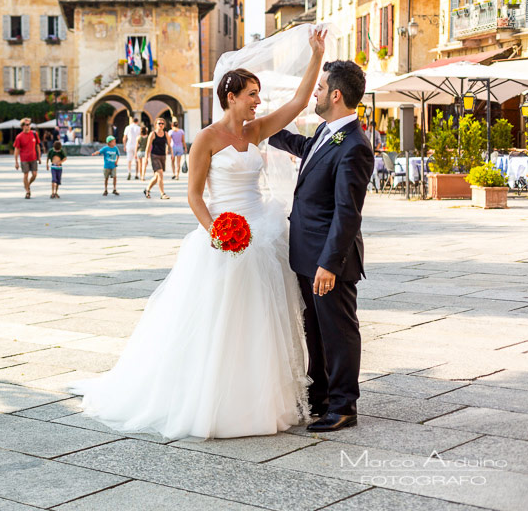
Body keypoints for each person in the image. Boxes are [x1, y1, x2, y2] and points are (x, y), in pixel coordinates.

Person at [70, 27, 327, 440]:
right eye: (252, 94)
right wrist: (217, 232)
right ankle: (211, 399)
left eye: (258, 95)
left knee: (262, 320)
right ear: (231, 97)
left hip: (262, 230)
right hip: (223, 237)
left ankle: (260, 400)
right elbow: (193, 196)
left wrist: (316, 55)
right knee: (218, 320)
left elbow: (298, 102)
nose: (258, 101)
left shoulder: (257, 131)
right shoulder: (206, 138)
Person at [268, 59, 373, 433]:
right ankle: (321, 396)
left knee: (339, 332)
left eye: (320, 86)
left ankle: (344, 406)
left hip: (330, 261)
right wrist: (264, 127)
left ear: (336, 94)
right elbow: (299, 145)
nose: (315, 92)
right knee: (315, 329)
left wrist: (329, 263)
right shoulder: (328, 133)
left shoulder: (355, 146)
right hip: (307, 256)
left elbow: (348, 213)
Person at [142, 118, 172, 199]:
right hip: (154, 156)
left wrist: (172, 154)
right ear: (156, 124)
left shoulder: (166, 134)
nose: (161, 125)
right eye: (159, 123)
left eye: (162, 123)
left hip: (162, 156)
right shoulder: (153, 134)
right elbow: (148, 146)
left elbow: (169, 145)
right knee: (160, 173)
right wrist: (146, 158)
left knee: (157, 176)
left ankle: (147, 189)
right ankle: (162, 194)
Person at [13, 118, 41, 199]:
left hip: (33, 158)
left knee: (34, 175)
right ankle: (27, 191)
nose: (28, 126)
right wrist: (16, 162)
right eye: (26, 125)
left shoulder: (34, 134)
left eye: (29, 124)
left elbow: (38, 146)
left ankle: (27, 184)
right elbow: (16, 149)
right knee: (26, 175)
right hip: (24, 159)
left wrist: (39, 157)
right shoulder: (19, 137)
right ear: (22, 126)